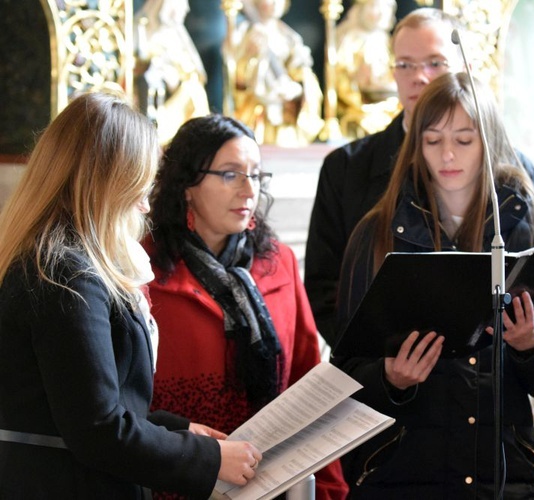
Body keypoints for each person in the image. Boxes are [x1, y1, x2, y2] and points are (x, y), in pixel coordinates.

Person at [0, 92, 261, 498]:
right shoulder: (67, 273)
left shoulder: (58, 259)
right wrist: (208, 458)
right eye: (140, 185)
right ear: (107, 183)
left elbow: (83, 402)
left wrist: (178, 430)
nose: (144, 205)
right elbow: (97, 429)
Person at [332, 72, 534, 498]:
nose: (447, 155)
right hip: (401, 473)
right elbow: (344, 376)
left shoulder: (524, 225)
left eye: (464, 140)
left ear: (490, 142)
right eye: (432, 140)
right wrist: (392, 379)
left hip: (503, 476)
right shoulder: (376, 233)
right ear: (416, 146)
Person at [305, 7, 534, 347]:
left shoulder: (512, 168)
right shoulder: (345, 167)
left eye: (435, 63)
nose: (419, 76)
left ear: (464, 69)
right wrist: (379, 360)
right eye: (405, 64)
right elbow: (325, 287)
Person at [145, 114, 349, 499]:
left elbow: (308, 384)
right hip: (176, 481)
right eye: (230, 174)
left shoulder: (279, 263)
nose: (247, 190)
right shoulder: (142, 270)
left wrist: (328, 488)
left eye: (255, 175)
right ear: (186, 186)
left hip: (272, 481)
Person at [231, 0, 324, 146]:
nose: (275, 3)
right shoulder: (244, 33)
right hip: (256, 115)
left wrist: (297, 88)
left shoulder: (290, 37)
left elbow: (302, 70)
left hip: (285, 116)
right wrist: (252, 57)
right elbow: (236, 75)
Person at [135, 0, 210, 145]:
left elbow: (194, 70)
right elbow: (146, 65)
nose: (186, 9)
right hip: (162, 95)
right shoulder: (150, 34)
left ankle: (199, 135)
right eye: (181, 5)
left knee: (195, 91)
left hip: (182, 90)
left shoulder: (178, 35)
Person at [335, 0, 399, 138]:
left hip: (390, 101)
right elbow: (339, 77)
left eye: (386, 7)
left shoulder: (388, 41)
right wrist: (358, 81)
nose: (381, 13)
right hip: (360, 104)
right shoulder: (349, 39)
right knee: (364, 121)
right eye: (375, 7)